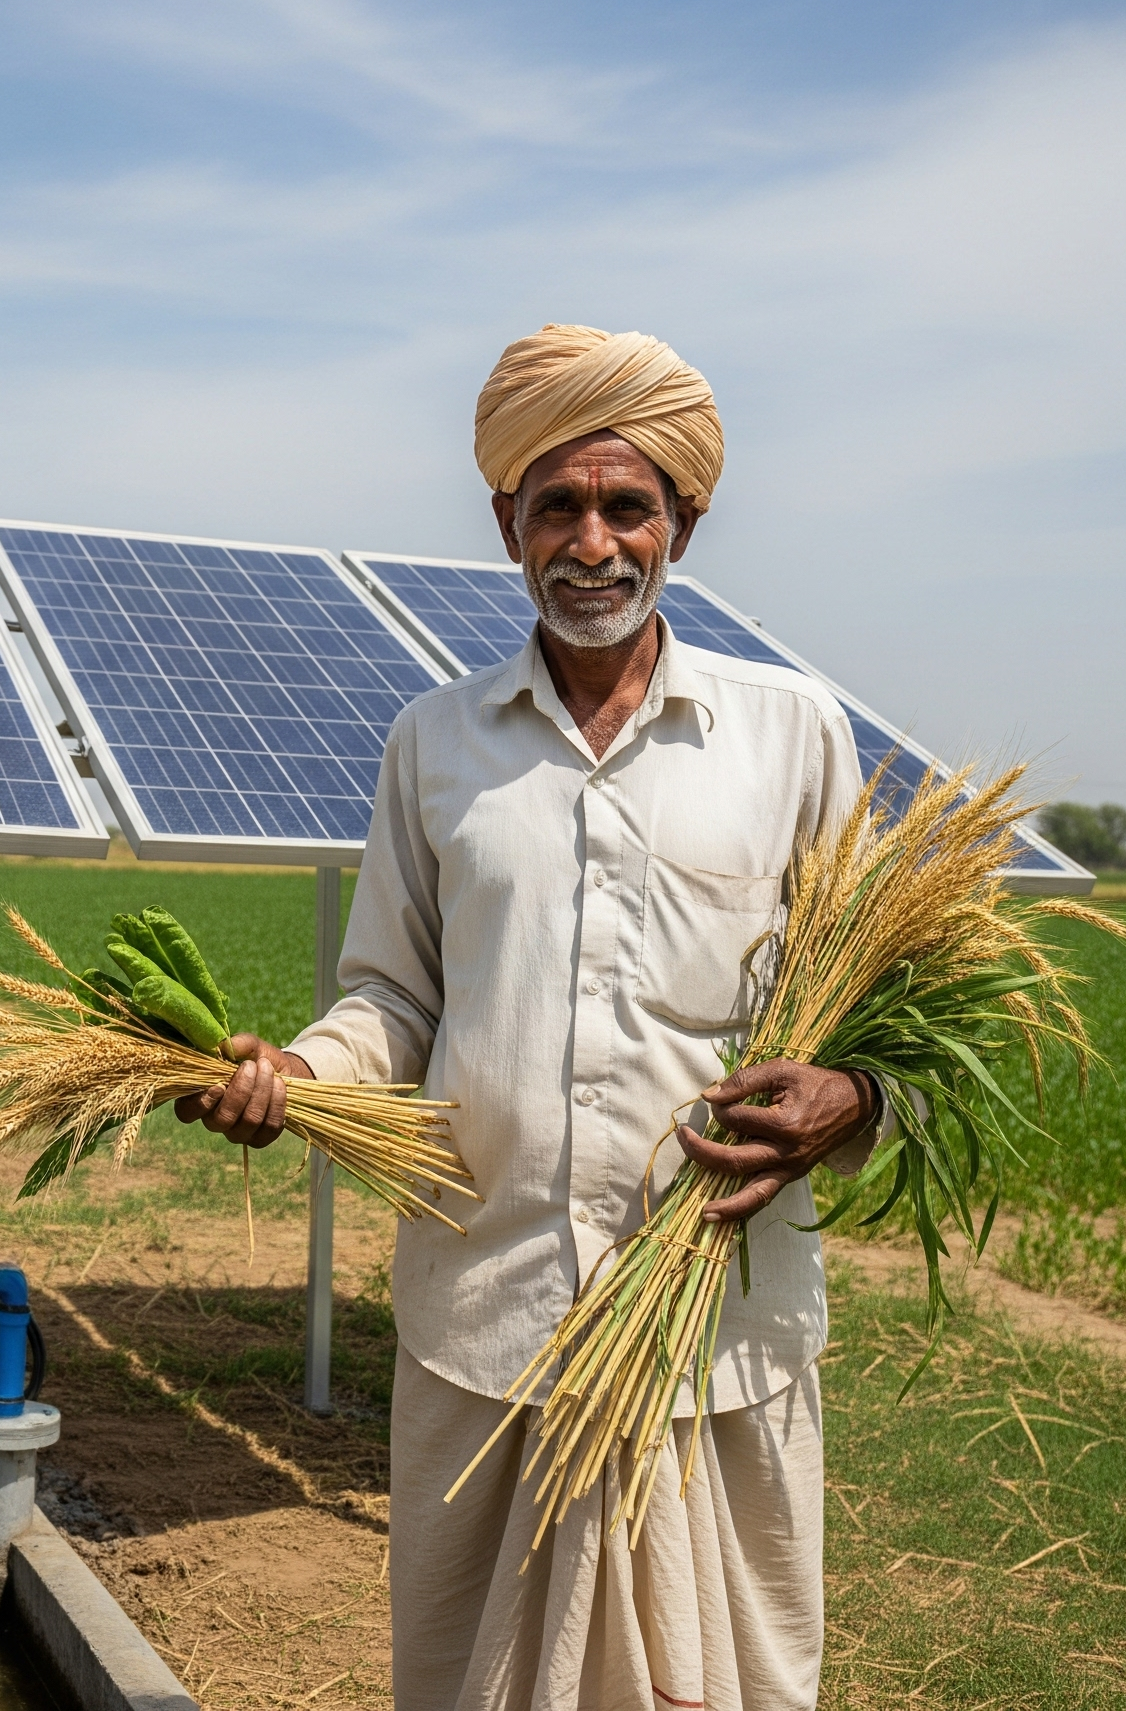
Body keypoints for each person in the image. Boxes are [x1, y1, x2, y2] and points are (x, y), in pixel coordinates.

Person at [176, 324, 883, 1711]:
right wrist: (299, 1078)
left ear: (685, 518)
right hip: (488, 1321)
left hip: (715, 1326)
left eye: (629, 506)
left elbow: (878, 1018)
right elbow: (389, 993)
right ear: (507, 522)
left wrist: (851, 1100)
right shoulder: (433, 743)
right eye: (557, 505)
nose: (594, 541)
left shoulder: (792, 736)